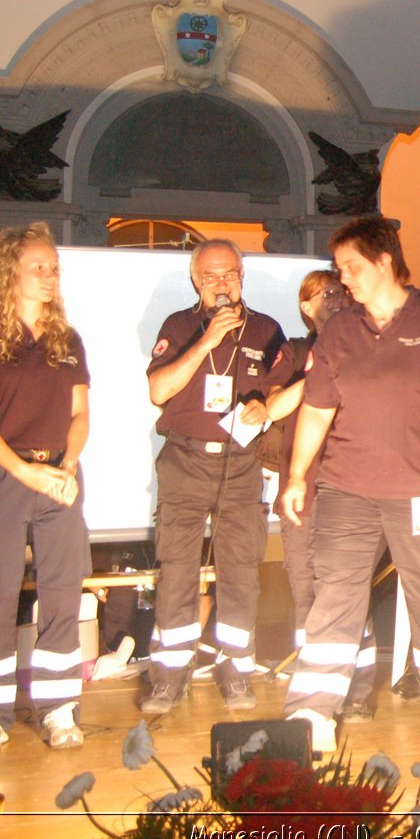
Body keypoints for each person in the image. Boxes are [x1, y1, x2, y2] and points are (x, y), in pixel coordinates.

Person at [281, 217, 420, 752]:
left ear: (385, 261)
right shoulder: (341, 331)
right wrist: (298, 475)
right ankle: (313, 711)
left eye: (353, 267)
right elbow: (317, 409)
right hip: (348, 488)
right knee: (335, 594)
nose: (345, 280)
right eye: (341, 269)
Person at [0, 222, 90, 754]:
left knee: (62, 590)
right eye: (38, 267)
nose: (49, 276)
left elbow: (80, 414)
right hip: (3, 475)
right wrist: (24, 470)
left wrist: (70, 464)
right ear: (9, 273)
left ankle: (58, 708)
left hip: (59, 473)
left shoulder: (68, 339)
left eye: (53, 267)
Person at [140, 240, 285, 715]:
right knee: (177, 569)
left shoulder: (266, 330)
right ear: (195, 282)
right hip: (184, 462)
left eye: (230, 275)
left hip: (241, 464)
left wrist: (267, 404)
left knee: (241, 570)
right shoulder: (179, 326)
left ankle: (236, 668)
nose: (223, 285)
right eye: (212, 277)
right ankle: (169, 674)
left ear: (243, 276)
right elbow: (159, 390)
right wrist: (206, 342)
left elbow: (284, 390)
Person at [260, 270, 374, 705]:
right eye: (324, 293)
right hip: (303, 486)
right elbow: (273, 407)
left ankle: (359, 687)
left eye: (341, 290)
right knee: (305, 585)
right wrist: (322, 373)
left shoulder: (367, 345)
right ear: (306, 307)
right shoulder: (296, 351)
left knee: (350, 582)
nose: (337, 297)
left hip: (353, 482)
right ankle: (315, 684)